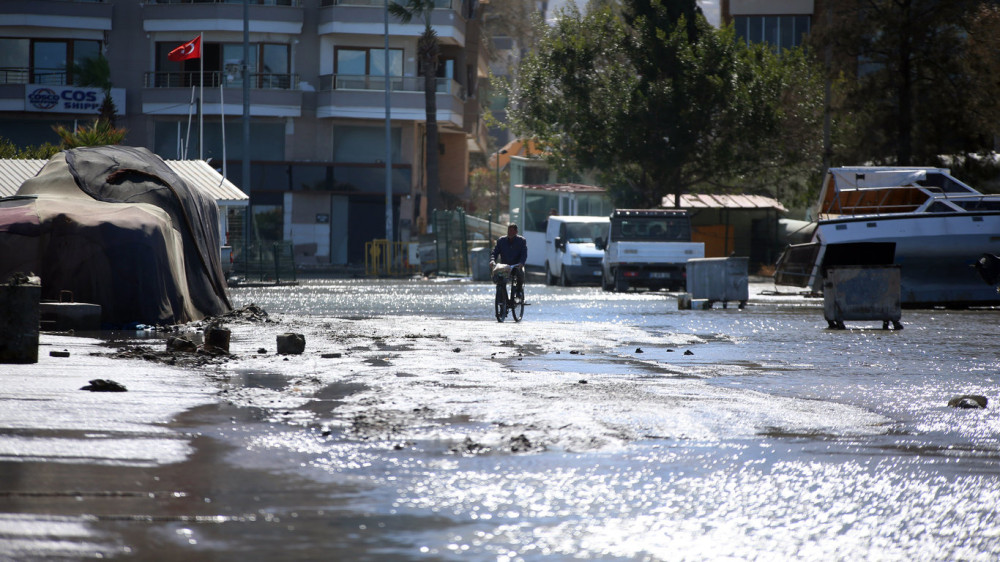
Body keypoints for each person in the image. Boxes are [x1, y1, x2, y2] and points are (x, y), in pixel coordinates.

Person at [490, 223, 527, 293]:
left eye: (512, 231)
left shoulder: (521, 241)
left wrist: (521, 263)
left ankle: (519, 291)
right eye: (509, 231)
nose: (510, 233)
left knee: (520, 275)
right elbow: (494, 252)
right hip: (504, 266)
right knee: (499, 279)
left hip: (516, 266)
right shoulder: (501, 241)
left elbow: (524, 254)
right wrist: (492, 260)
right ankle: (501, 295)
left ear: (516, 232)